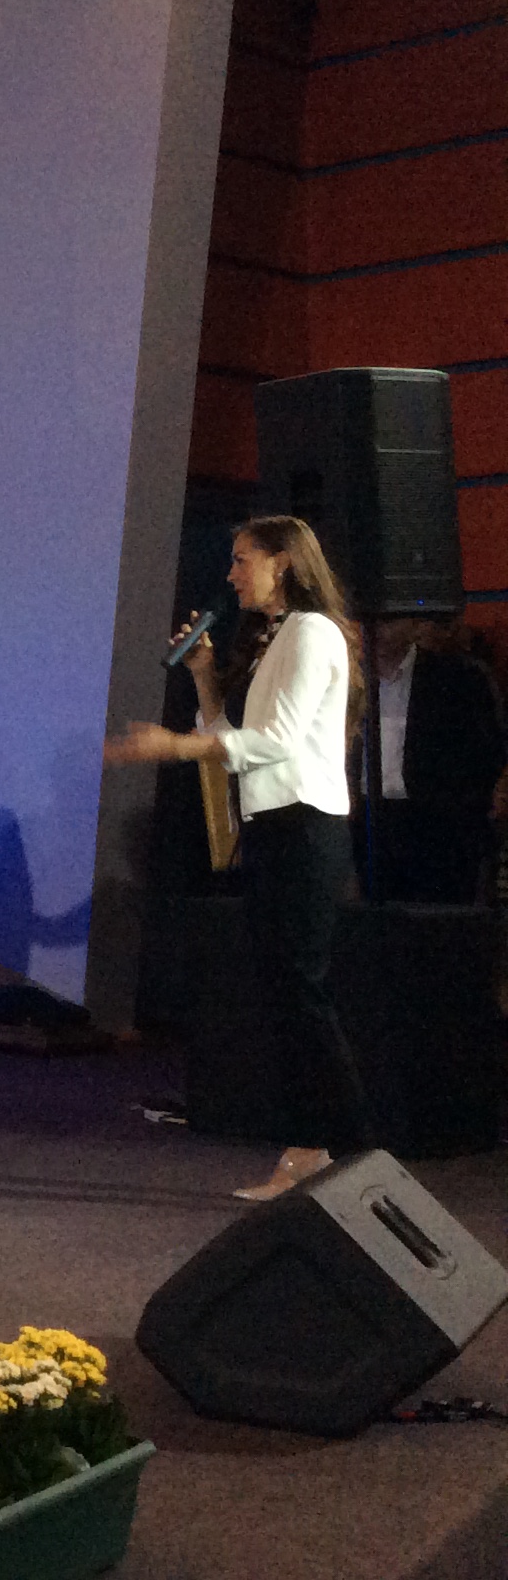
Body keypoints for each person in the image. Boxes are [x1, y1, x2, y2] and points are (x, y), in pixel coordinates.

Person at [108, 515, 372, 1201]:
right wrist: (203, 677)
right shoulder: (273, 636)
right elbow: (232, 740)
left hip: (305, 827)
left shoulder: (311, 632)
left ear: (282, 562)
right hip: (275, 828)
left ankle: (346, 1148)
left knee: (301, 993)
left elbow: (275, 741)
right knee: (286, 994)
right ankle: (315, 1149)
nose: (231, 574)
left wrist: (173, 746)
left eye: (242, 559)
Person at [363, 618, 504, 903]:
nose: (378, 628)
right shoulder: (346, 676)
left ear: (414, 623)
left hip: (434, 828)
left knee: (436, 919)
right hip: (365, 821)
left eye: (389, 620)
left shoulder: (456, 678)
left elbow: (487, 754)